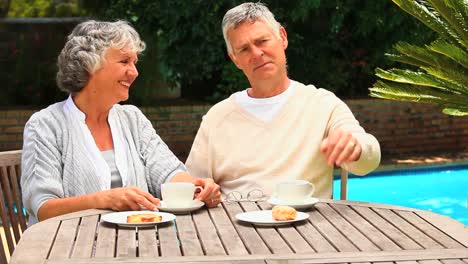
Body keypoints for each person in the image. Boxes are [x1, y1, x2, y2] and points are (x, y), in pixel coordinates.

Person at [21, 20, 221, 223]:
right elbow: (44, 208)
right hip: (73, 248)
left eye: (134, 62)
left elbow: (168, 171)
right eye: (124, 61)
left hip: (138, 243)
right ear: (90, 64)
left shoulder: (132, 119)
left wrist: (196, 188)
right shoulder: (45, 126)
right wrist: (103, 199)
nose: (134, 72)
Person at [185, 2, 381, 199]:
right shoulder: (217, 118)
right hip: (235, 227)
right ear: (235, 59)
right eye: (244, 49)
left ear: (283, 38)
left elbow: (368, 160)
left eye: (262, 41)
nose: (256, 53)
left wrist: (355, 148)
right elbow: (193, 186)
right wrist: (202, 190)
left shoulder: (323, 105)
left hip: (312, 228)